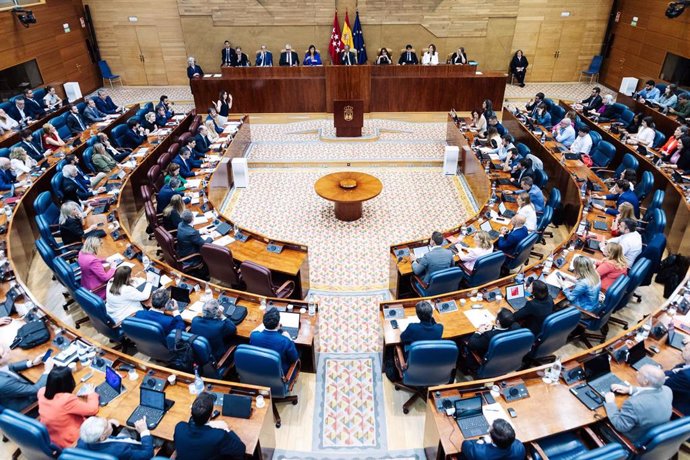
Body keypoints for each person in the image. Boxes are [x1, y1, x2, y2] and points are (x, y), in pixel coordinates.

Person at [604, 365, 672, 442]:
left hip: (632, 439)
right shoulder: (667, 390)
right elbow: (651, 389)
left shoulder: (634, 404)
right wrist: (629, 389)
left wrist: (610, 403)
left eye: (639, 373)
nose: (637, 372)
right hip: (654, 433)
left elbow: (620, 426)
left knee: (598, 423)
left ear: (645, 381)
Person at [38, 366, 99, 448]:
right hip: (71, 441)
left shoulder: (41, 391)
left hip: (51, 435)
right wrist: (92, 394)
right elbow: (93, 410)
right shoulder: (66, 400)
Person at [173, 392, 246, 460]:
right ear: (211, 415)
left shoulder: (179, 427)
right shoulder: (219, 436)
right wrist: (227, 430)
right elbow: (241, 449)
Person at [0, 343, 54, 411]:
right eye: (4, 352)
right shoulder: (4, 383)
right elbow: (36, 389)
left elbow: (10, 367)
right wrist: (48, 370)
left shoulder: (1, 366)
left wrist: (33, 363)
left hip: (24, 391)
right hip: (30, 404)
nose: (8, 350)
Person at [77, 416, 153, 460]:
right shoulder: (120, 450)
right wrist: (144, 432)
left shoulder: (82, 441)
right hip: (136, 450)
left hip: (114, 443)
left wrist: (107, 424)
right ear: (102, 437)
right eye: (107, 425)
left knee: (126, 430)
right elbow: (148, 454)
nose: (108, 422)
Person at [250, 307, 299, 374]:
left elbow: (253, 332)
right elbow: (294, 358)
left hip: (259, 370)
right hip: (279, 374)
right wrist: (289, 339)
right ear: (278, 324)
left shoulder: (254, 336)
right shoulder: (285, 341)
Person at [460, 418, 526, 460]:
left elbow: (465, 444)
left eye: (490, 429)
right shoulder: (520, 447)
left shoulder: (478, 452)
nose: (488, 430)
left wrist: (483, 441)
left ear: (492, 438)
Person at [664, 342, 690, 414]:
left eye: (686, 349)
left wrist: (667, 374)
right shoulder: (686, 366)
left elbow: (663, 383)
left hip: (675, 410)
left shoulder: (685, 376)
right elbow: (677, 368)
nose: (682, 349)